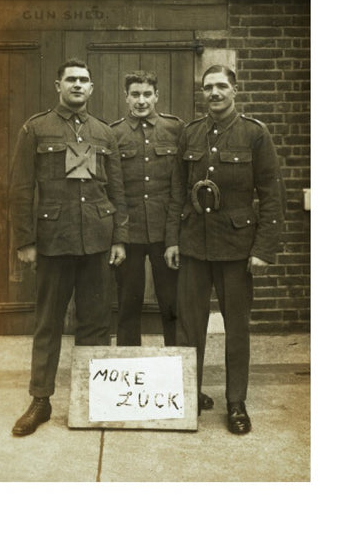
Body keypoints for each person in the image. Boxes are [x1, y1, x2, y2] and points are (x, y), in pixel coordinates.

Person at [9, 58, 128, 436]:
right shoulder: (36, 129)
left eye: (84, 80)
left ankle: (92, 398)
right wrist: (26, 241)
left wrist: (119, 238)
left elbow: (117, 190)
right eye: (71, 80)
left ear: (92, 88)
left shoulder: (103, 133)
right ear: (58, 85)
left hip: (95, 240)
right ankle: (41, 400)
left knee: (95, 323)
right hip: (53, 242)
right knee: (47, 323)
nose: (78, 85)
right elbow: (20, 189)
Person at [165, 65, 285, 433]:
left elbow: (271, 194)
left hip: (236, 248)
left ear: (235, 90)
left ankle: (236, 403)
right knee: (189, 328)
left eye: (221, 86)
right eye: (208, 87)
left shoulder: (255, 134)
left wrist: (263, 248)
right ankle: (188, 397)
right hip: (193, 246)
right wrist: (172, 239)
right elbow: (176, 191)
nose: (214, 93)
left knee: (237, 329)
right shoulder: (191, 133)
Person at [111, 70, 215, 413]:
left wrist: (173, 240)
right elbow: (116, 192)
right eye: (135, 94)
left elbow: (178, 190)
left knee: (174, 309)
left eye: (147, 94)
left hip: (165, 237)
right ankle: (127, 390)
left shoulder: (175, 129)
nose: (141, 100)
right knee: (128, 308)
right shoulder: (114, 134)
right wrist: (120, 240)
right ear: (126, 97)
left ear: (157, 96)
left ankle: (180, 384)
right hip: (128, 237)